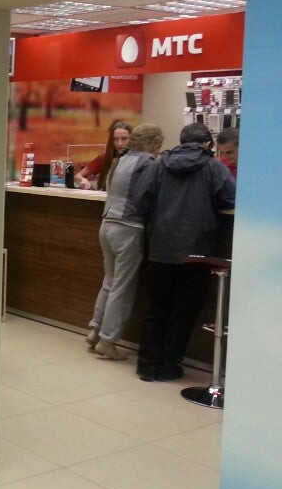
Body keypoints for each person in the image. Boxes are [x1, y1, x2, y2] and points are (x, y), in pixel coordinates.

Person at [132, 122, 236, 381]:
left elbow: (139, 200)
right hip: (197, 250)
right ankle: (169, 366)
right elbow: (230, 199)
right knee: (184, 311)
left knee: (157, 308)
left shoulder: (158, 165)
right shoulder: (214, 167)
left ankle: (147, 365)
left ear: (180, 140)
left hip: (161, 247)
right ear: (207, 143)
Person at [86, 124, 165, 360]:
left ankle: (95, 329)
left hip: (107, 224)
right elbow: (151, 196)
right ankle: (108, 340)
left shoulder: (119, 161)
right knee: (123, 286)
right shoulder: (148, 163)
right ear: (153, 144)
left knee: (109, 281)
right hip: (129, 227)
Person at [75, 120, 132, 190]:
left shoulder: (137, 160)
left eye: (124, 139)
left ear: (131, 139)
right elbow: (78, 176)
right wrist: (83, 180)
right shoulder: (103, 158)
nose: (119, 143)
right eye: (115, 139)